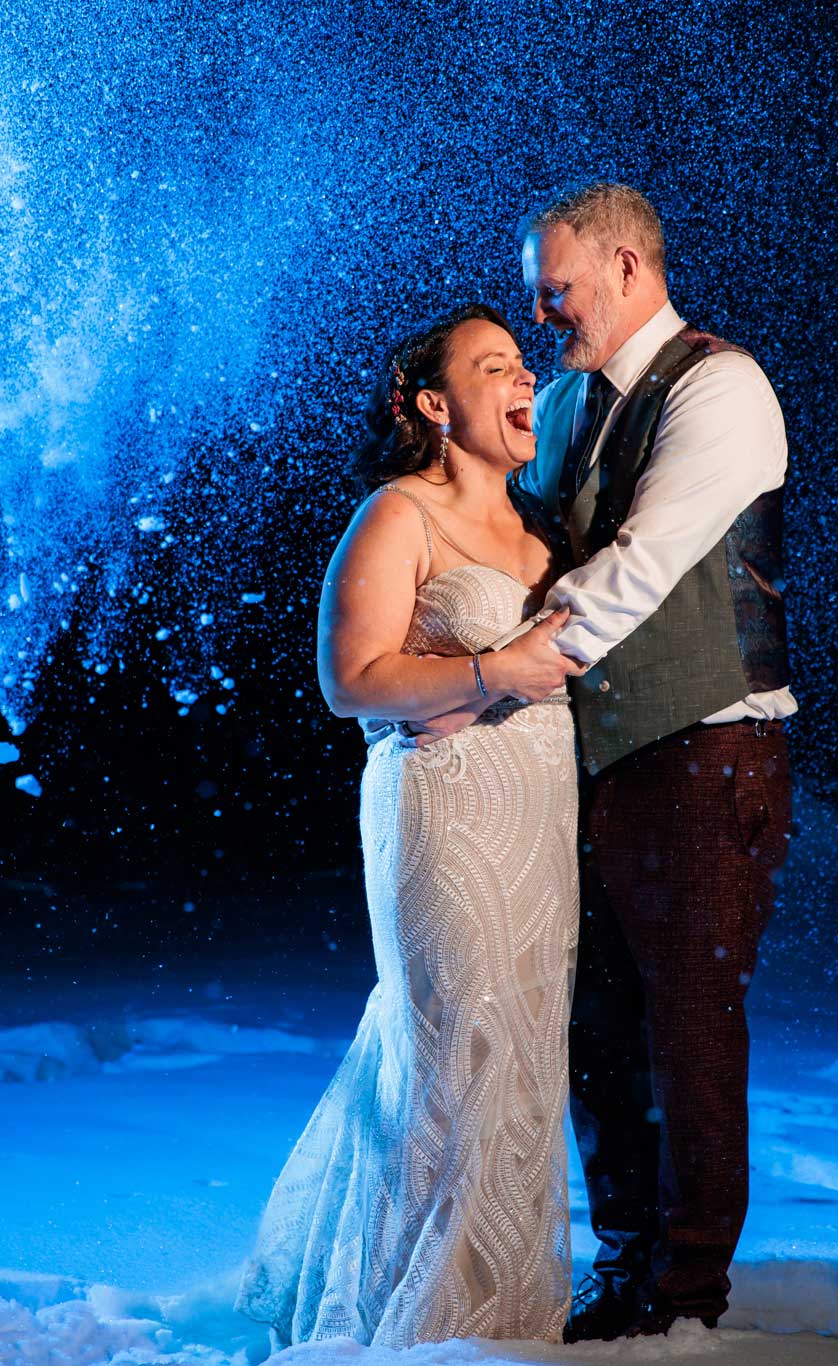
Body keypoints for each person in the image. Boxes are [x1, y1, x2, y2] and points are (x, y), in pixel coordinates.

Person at [423, 182, 798, 1340]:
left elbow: (636, 566)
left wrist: (491, 671)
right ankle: (627, 1259)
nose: (544, 317)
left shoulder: (721, 386)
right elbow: (513, 535)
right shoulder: (578, 396)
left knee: (686, 1023)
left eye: (559, 291)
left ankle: (685, 1299)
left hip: (707, 746)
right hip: (598, 760)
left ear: (627, 270)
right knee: (595, 1024)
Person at [232, 302, 586, 1350]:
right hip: (442, 808)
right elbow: (350, 680)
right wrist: (495, 670)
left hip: (539, 809)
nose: (524, 380)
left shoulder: (540, 529)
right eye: (493, 367)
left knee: (521, 1048)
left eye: (524, 365)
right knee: (451, 1040)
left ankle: (504, 1307)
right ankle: (416, 1313)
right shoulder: (397, 514)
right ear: (434, 404)